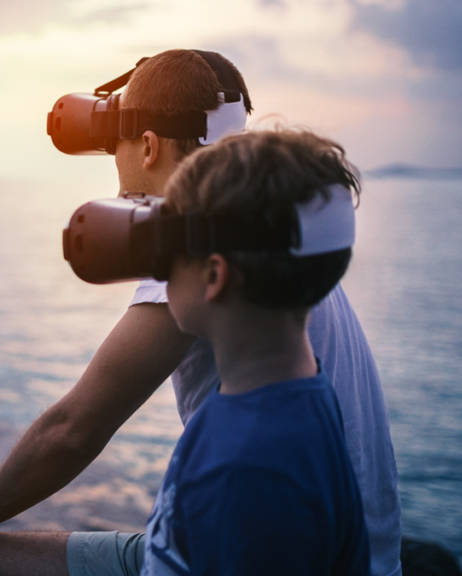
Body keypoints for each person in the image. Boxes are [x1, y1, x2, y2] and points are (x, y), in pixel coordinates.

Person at [0, 49, 400, 576]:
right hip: (336, 550)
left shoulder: (207, 253)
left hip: (265, 547)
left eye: (114, 145)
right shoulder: (281, 239)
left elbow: (74, 428)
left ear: (147, 146)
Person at [140, 128, 370, 574]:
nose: (157, 268)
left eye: (165, 250)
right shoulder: (298, 392)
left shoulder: (247, 475)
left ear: (214, 276)